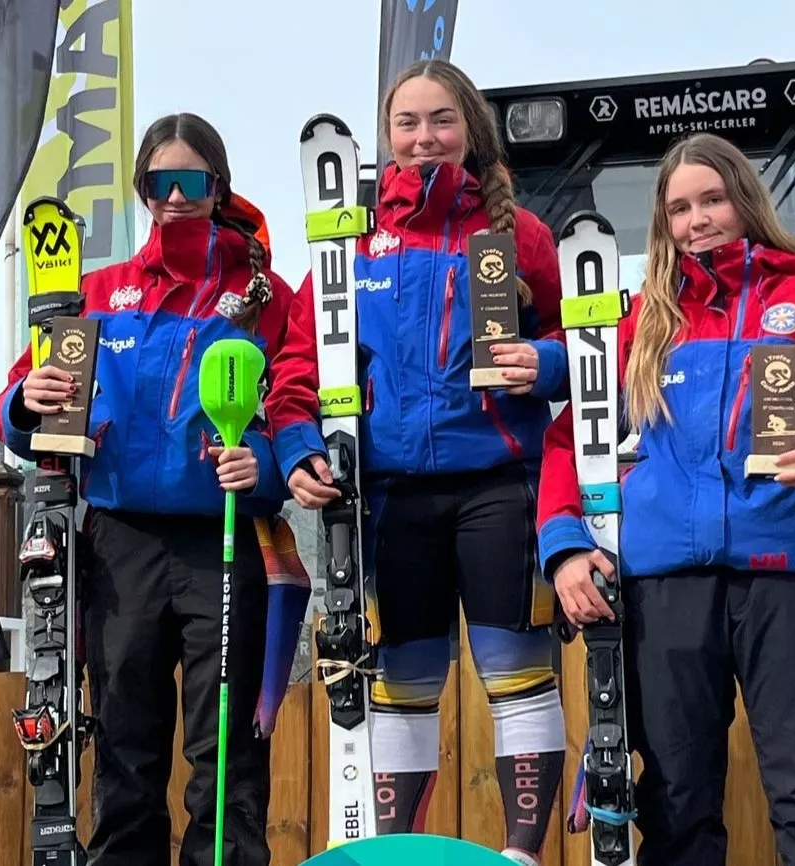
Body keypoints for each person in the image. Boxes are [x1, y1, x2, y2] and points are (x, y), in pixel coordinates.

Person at [536, 132, 795, 866]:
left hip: (788, 586)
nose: (697, 219)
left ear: (744, 201)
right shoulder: (643, 321)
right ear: (664, 223)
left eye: (711, 200)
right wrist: (565, 549)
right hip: (666, 590)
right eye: (679, 208)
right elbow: (568, 442)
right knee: (676, 805)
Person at [0, 112, 324, 866]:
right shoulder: (97, 293)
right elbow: (17, 416)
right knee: (125, 741)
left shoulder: (265, 299)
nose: (175, 197)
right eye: (159, 183)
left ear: (219, 187)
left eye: (192, 182)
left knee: (227, 744)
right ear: (142, 190)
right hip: (121, 541)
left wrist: (265, 468)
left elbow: (296, 403)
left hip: (225, 534)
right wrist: (26, 400)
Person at [282, 59, 571, 865]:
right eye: (406, 124)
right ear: (386, 138)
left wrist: (543, 366)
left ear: (470, 129)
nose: (423, 138)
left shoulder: (522, 236)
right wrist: (301, 450)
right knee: (403, 684)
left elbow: (590, 357)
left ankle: (520, 855)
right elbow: (298, 372)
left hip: (498, 485)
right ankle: (398, 853)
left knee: (516, 672)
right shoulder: (349, 243)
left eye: (440, 120)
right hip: (391, 495)